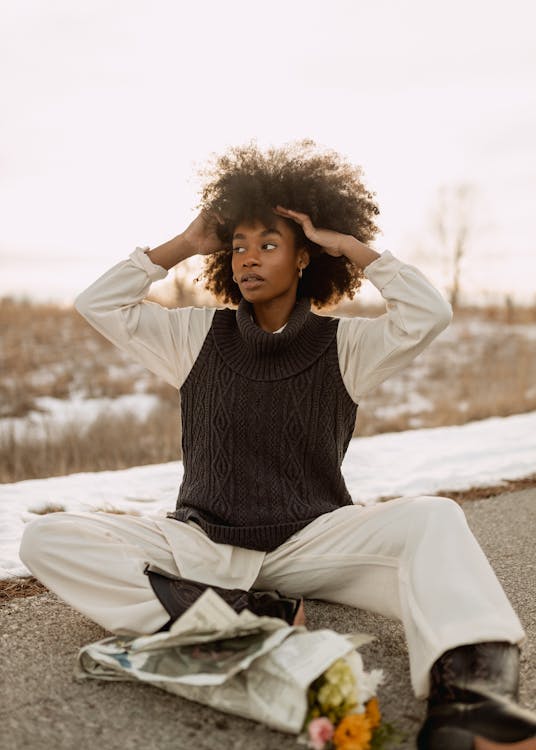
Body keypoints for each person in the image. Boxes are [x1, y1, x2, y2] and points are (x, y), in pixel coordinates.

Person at [19, 140, 536, 748]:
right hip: (204, 541)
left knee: (434, 519)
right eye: (239, 245)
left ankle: (473, 700)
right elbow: (97, 303)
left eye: (268, 244)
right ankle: (246, 614)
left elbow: (428, 313)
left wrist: (350, 246)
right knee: (46, 538)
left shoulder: (347, 346)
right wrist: (183, 245)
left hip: (311, 540)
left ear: (302, 260)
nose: (248, 258)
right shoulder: (192, 337)